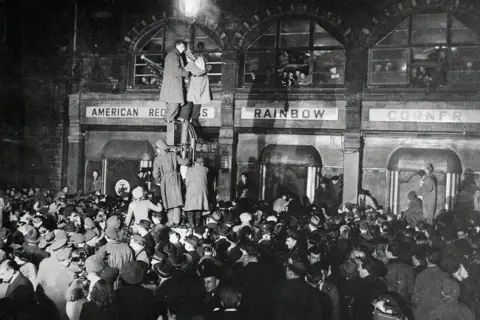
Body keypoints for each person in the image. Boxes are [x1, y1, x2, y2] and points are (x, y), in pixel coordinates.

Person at [152, 140, 190, 227]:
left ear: (158, 149)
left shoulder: (157, 159)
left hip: (165, 181)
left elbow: (155, 174)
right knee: (177, 201)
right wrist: (189, 158)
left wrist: (159, 181)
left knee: (168, 202)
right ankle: (176, 221)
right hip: (175, 180)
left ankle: (170, 221)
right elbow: (184, 162)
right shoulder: (173, 155)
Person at [159, 40, 189, 123]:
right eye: (183, 46)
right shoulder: (173, 55)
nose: (184, 48)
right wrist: (187, 73)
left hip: (172, 84)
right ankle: (170, 126)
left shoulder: (173, 54)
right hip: (173, 85)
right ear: (178, 46)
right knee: (174, 106)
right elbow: (176, 71)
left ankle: (168, 123)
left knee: (171, 107)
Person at [178, 51, 212, 124]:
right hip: (202, 82)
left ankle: (184, 118)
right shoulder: (201, 62)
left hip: (195, 83)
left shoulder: (191, 64)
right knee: (198, 101)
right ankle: (194, 119)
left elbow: (182, 72)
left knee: (189, 100)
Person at [184, 157, 210, 228]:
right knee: (199, 209)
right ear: (202, 163)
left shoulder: (190, 169)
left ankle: (191, 225)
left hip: (191, 192)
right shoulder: (206, 169)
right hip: (201, 192)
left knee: (190, 210)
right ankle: (197, 225)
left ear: (195, 162)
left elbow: (187, 182)